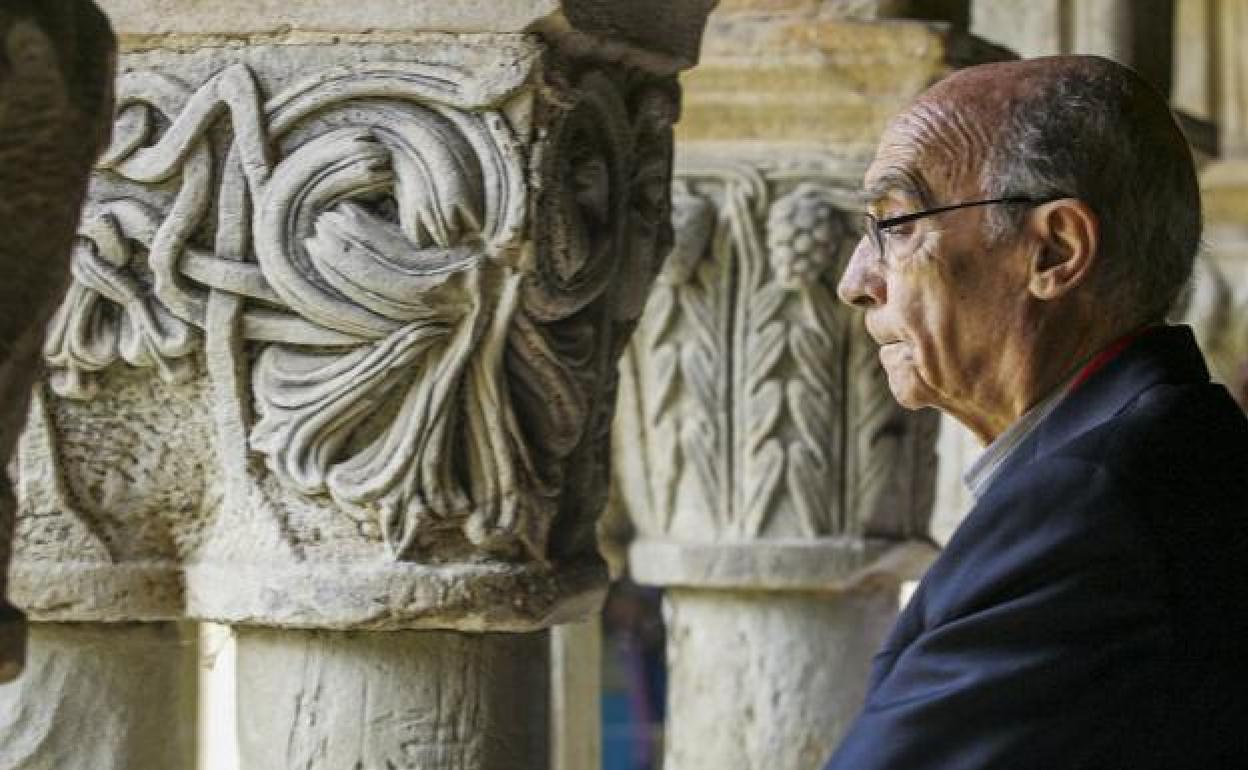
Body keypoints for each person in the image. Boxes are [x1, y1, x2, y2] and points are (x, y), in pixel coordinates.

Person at [825, 55, 1248, 769]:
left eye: (895, 226)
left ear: (1055, 250)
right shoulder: (1179, 452)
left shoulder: (1088, 505)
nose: (856, 283)